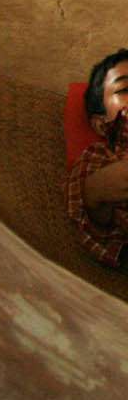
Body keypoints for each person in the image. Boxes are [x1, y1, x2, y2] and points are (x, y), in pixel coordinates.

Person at [69, 49, 128, 266]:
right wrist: (95, 192)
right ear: (100, 123)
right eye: (125, 89)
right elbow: (90, 210)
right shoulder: (99, 156)